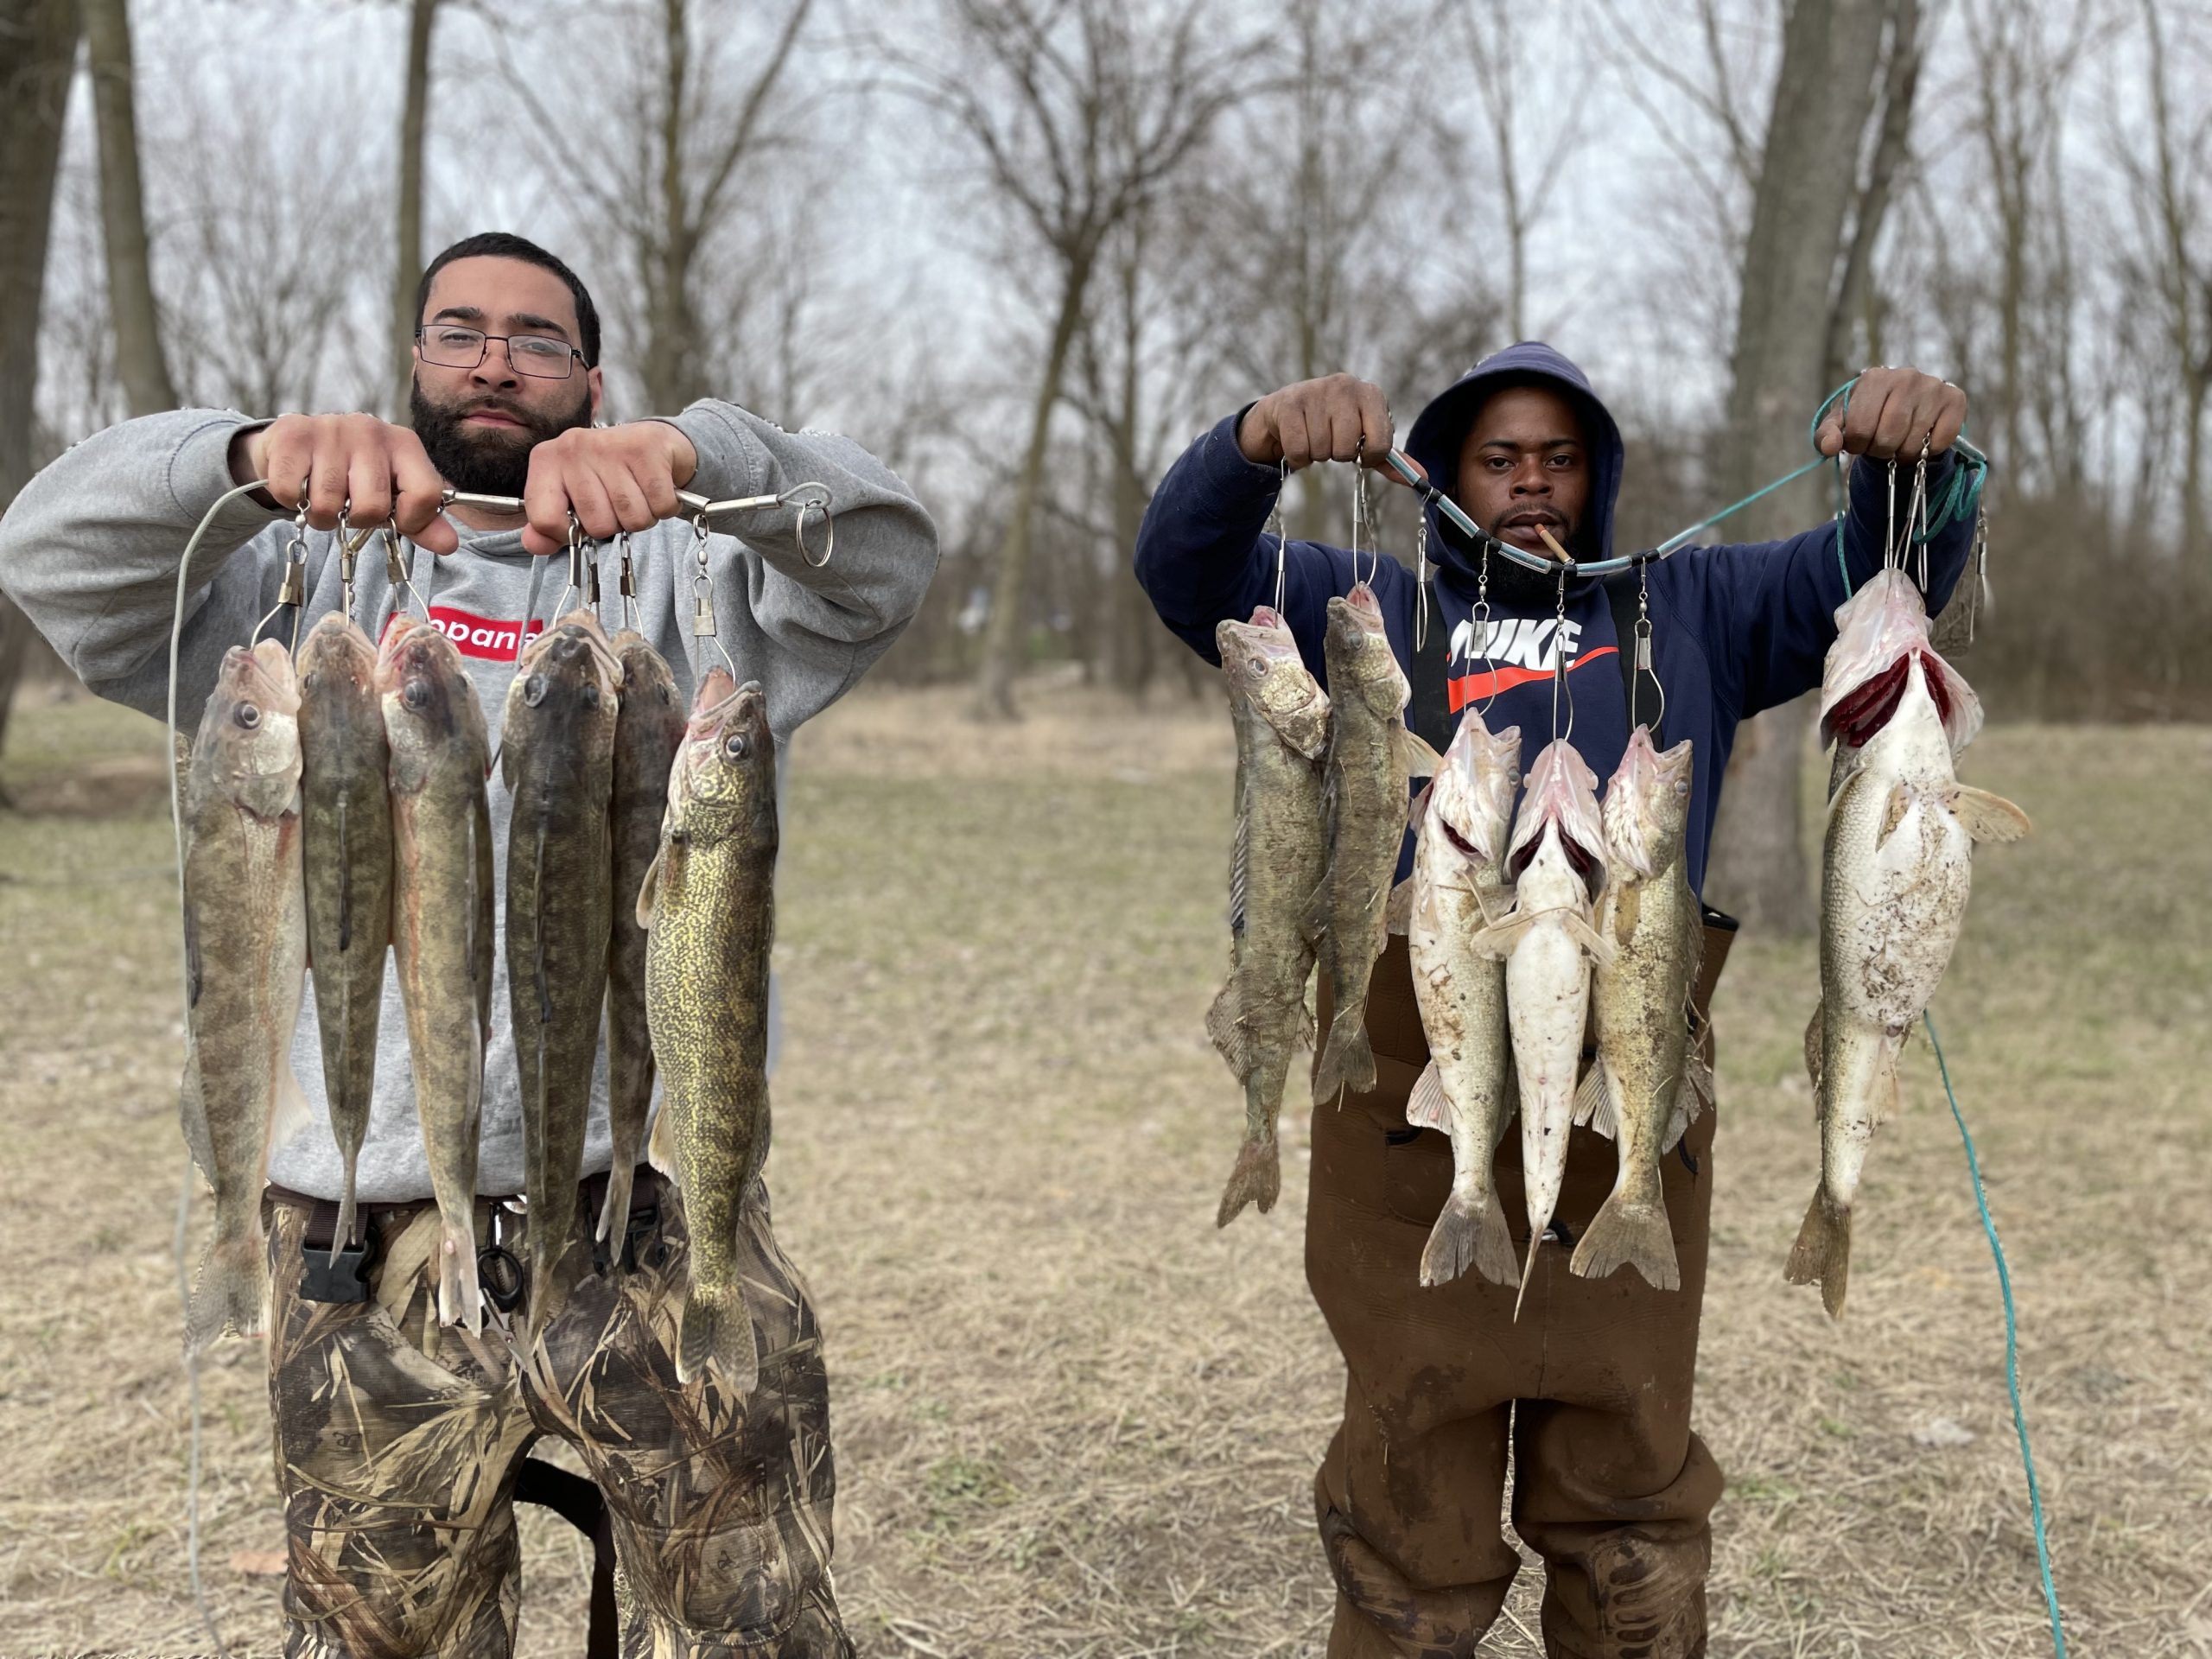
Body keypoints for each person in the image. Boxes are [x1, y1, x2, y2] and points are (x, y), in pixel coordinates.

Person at [0, 232, 939, 1658]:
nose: (494, 358)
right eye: (458, 331)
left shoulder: (705, 578)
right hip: (353, 1246)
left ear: (593, 376)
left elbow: (889, 557)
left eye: (536, 337)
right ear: (415, 363)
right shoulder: (284, 591)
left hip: (645, 1217)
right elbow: (45, 556)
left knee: (763, 1635)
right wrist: (244, 453)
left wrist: (696, 455)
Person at [1133, 343, 1975, 1659]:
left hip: (1630, 1091)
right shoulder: (1369, 606)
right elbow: (1186, 576)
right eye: (1500, 457)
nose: (1534, 483)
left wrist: (1908, 462)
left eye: (1562, 457)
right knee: (1408, 1501)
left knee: (1630, 1502)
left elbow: (1879, 578)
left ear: (1601, 474)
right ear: (1447, 473)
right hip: (1419, 1099)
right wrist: (1250, 446)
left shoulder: (1689, 605)